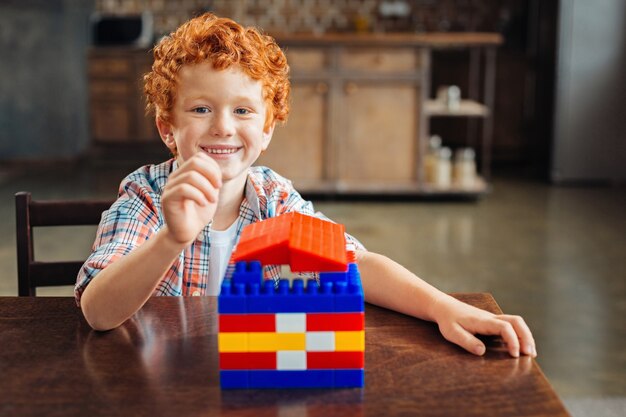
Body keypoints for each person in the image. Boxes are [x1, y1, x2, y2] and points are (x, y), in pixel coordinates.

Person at [77, 13, 536, 359]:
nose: (222, 127)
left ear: (269, 129)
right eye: (200, 109)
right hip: (154, 382)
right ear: (166, 128)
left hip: (251, 378)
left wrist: (443, 308)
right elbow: (98, 313)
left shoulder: (274, 199)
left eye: (242, 111)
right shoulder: (144, 194)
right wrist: (170, 239)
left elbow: (357, 263)